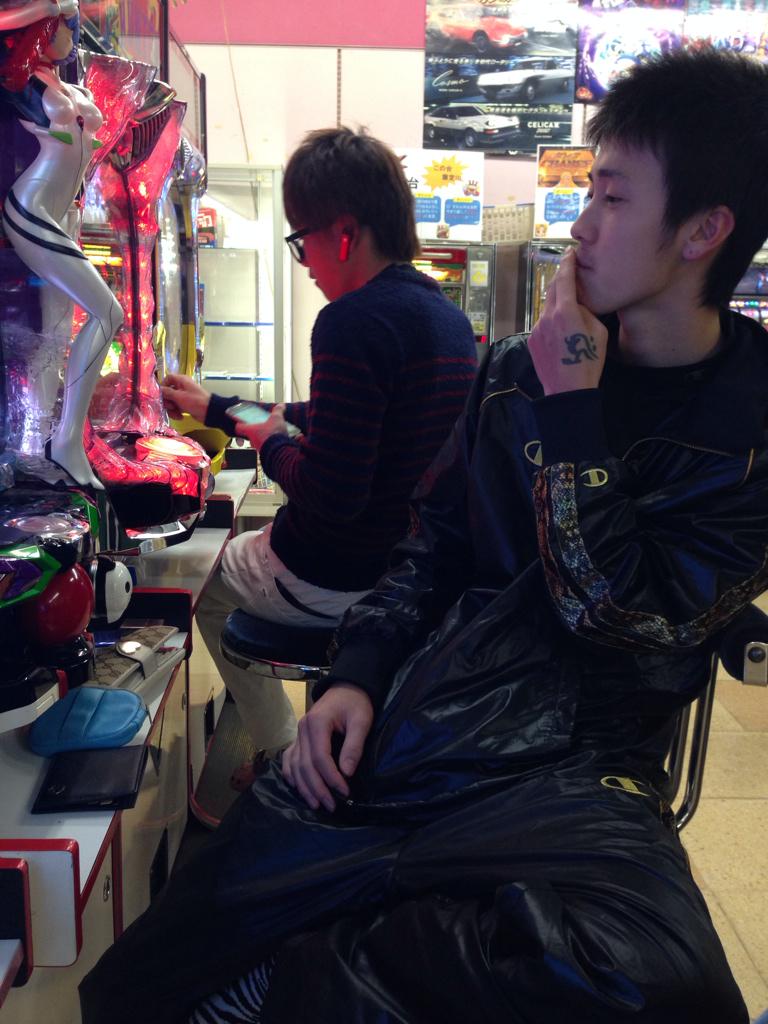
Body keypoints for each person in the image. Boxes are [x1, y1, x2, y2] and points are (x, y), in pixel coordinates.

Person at [81, 48, 768, 1024]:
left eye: (613, 198)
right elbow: (432, 544)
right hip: (435, 707)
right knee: (164, 958)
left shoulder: (745, 424)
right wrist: (357, 671)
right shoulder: (513, 369)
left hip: (587, 760)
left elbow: (620, 619)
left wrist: (575, 414)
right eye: (589, 193)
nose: (583, 225)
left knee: (662, 986)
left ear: (704, 230)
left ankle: (305, 972)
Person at [161, 127, 477, 758]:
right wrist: (216, 406)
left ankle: (281, 751)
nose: (305, 264)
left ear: (344, 233)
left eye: (303, 240)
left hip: (334, 576)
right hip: (405, 578)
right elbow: (325, 415)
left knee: (198, 581)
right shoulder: (446, 318)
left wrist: (272, 443)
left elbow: (332, 495)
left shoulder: (349, 322)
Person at [0, 0, 123, 489]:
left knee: (55, 335)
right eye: (62, 24)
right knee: (107, 312)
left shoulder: (63, 84)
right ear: (41, 29)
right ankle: (65, 442)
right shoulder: (22, 84)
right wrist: (45, 5)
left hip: (64, 214)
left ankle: (40, 447)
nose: (71, 31)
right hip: (31, 208)